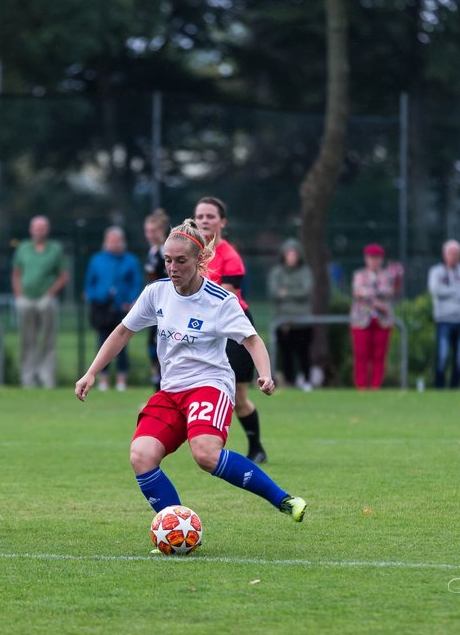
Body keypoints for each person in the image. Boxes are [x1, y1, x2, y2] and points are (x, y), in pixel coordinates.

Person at [74, 219, 307, 533]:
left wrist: (264, 374)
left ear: (200, 260)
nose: (172, 267)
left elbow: (252, 339)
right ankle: (178, 529)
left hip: (209, 386)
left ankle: (284, 500)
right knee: (141, 456)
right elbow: (122, 331)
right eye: (168, 260)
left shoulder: (220, 301)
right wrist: (91, 373)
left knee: (205, 454)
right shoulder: (156, 293)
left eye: (180, 261)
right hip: (170, 391)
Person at [194, 196, 267, 463]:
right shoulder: (192, 254)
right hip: (203, 329)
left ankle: (256, 447)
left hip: (232, 329)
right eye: (200, 216)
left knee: (238, 396)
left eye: (210, 216)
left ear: (222, 221)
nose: (204, 220)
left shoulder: (229, 256)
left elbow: (224, 298)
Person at [13, 216, 69, 388]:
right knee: (26, 340)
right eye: (36, 228)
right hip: (26, 299)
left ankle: (46, 379)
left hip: (46, 299)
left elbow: (63, 275)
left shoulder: (55, 249)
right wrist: (19, 295)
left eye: (42, 228)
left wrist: (50, 293)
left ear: (47, 230)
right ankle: (27, 379)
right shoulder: (22, 248)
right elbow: (16, 273)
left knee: (47, 340)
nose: (39, 231)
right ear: (31, 230)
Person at [85, 226, 143, 391]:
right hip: (102, 308)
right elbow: (90, 283)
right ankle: (101, 379)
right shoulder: (97, 260)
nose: (114, 244)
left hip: (121, 308)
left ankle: (121, 379)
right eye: (111, 240)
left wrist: (131, 301)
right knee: (102, 342)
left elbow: (136, 283)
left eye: (117, 240)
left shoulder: (130, 261)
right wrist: (96, 297)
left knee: (122, 344)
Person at [427, 239, 460, 389]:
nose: (453, 256)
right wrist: (457, 291)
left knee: (459, 357)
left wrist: (448, 292)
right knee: (443, 355)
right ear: (444, 254)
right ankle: (439, 387)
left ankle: (455, 387)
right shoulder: (436, 272)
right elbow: (436, 291)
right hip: (443, 319)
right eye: (450, 253)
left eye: (456, 253)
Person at [350, 244, 398, 390]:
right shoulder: (359, 275)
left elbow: (388, 291)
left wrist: (368, 295)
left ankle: (376, 385)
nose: (373, 261)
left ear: (381, 259)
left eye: (376, 258)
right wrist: (377, 301)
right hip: (362, 320)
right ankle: (361, 386)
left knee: (379, 355)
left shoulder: (387, 276)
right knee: (361, 354)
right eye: (371, 258)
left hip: (382, 321)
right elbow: (358, 292)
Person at [268, 238, 314, 391]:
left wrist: (286, 293)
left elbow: (305, 291)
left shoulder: (305, 272)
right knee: (285, 354)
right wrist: (293, 293)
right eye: (289, 254)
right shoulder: (277, 272)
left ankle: (307, 380)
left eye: (294, 254)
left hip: (302, 321)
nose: (291, 257)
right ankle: (288, 381)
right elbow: (274, 292)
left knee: (303, 353)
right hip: (283, 321)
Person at [141, 208, 170, 389]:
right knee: (154, 348)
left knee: (165, 350)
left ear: (162, 231)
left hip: (169, 309)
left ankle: (165, 391)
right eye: (147, 231)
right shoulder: (153, 252)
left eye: (154, 231)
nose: (150, 235)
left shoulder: (168, 252)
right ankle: (158, 393)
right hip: (156, 309)